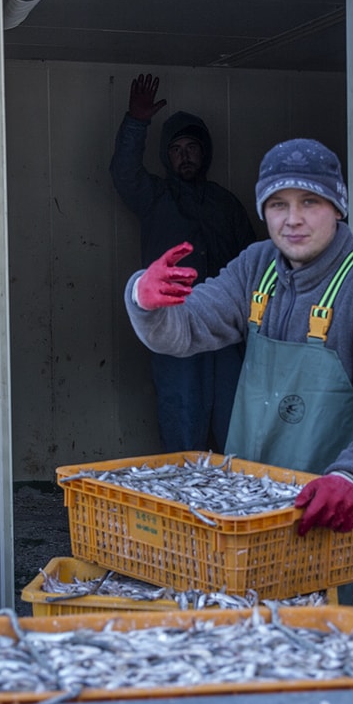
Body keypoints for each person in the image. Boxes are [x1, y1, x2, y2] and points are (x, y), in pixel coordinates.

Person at [122, 138, 353, 604]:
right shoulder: (256, 269)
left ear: (338, 206)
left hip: (335, 524)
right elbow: (186, 329)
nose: (293, 219)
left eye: (310, 201)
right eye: (277, 204)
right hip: (251, 526)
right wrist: (144, 300)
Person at [110, 73, 257, 453]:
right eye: (177, 149)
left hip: (227, 327)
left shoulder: (226, 204)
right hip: (175, 326)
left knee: (235, 421)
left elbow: (256, 267)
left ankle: (236, 507)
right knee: (182, 418)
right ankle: (180, 508)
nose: (186, 155)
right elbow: (124, 175)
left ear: (205, 152)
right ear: (166, 157)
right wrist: (136, 123)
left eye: (193, 147)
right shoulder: (155, 197)